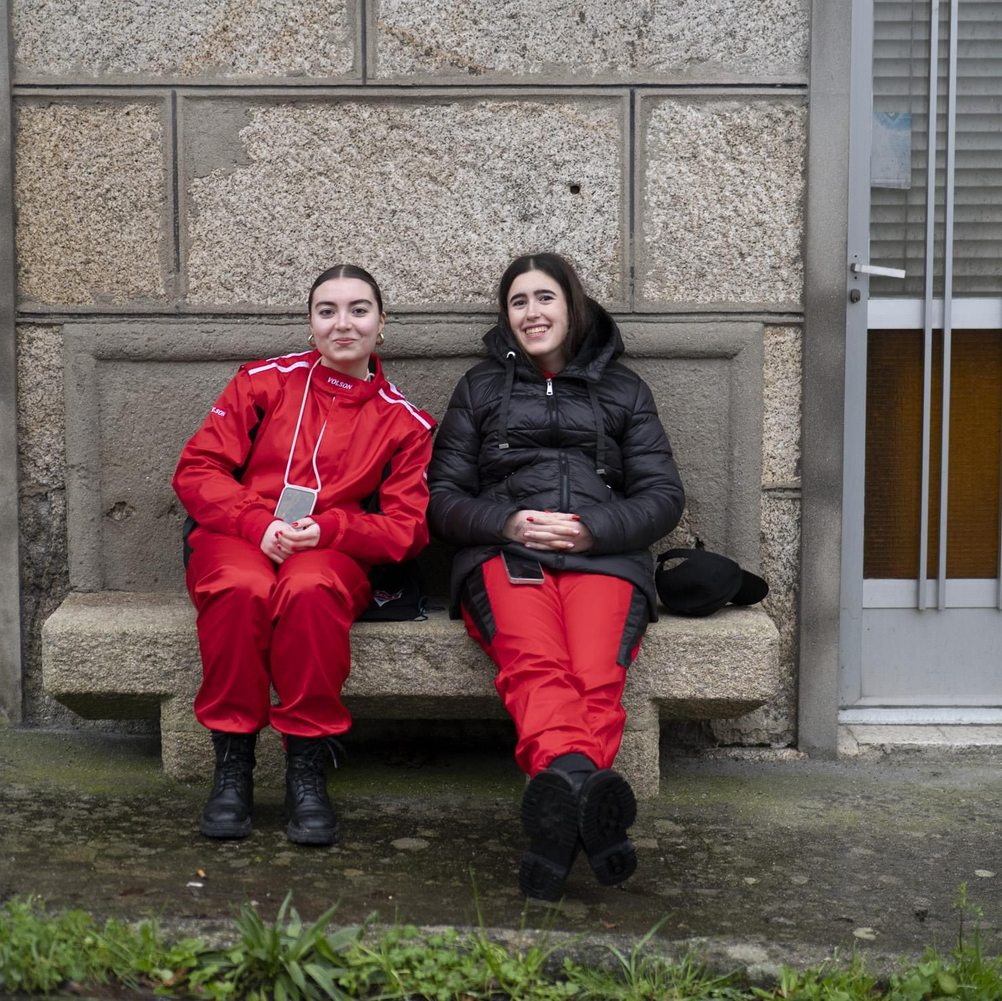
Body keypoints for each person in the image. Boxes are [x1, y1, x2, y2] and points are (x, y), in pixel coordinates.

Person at [427, 252, 684, 899]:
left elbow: (663, 495)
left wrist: (593, 529)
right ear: (505, 315)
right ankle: (584, 795)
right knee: (537, 664)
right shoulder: (480, 389)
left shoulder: (624, 390)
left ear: (572, 305)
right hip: (506, 557)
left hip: (603, 556)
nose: (532, 312)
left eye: (545, 297)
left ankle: (558, 824)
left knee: (596, 676)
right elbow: (442, 500)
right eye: (518, 301)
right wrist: (509, 522)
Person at [173, 264, 435, 846]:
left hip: (329, 550)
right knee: (243, 589)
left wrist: (331, 529)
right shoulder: (262, 383)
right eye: (327, 311)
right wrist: (255, 521)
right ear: (311, 322)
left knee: (309, 590)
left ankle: (306, 769)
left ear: (382, 324)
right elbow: (198, 470)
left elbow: (407, 528)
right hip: (240, 535)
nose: (343, 323)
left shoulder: (405, 423)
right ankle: (233, 766)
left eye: (359, 310)